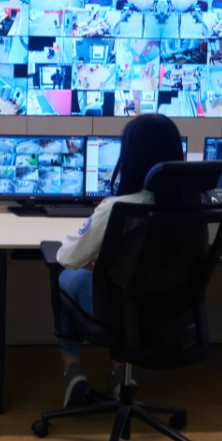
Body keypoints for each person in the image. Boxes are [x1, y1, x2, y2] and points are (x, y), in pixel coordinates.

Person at [55, 114, 184, 409]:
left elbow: (67, 257)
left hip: (121, 310)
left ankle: (72, 371)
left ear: (131, 157)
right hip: (174, 310)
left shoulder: (118, 207)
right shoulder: (197, 204)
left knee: (62, 277)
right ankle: (117, 377)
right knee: (125, 285)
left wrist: (100, 261)